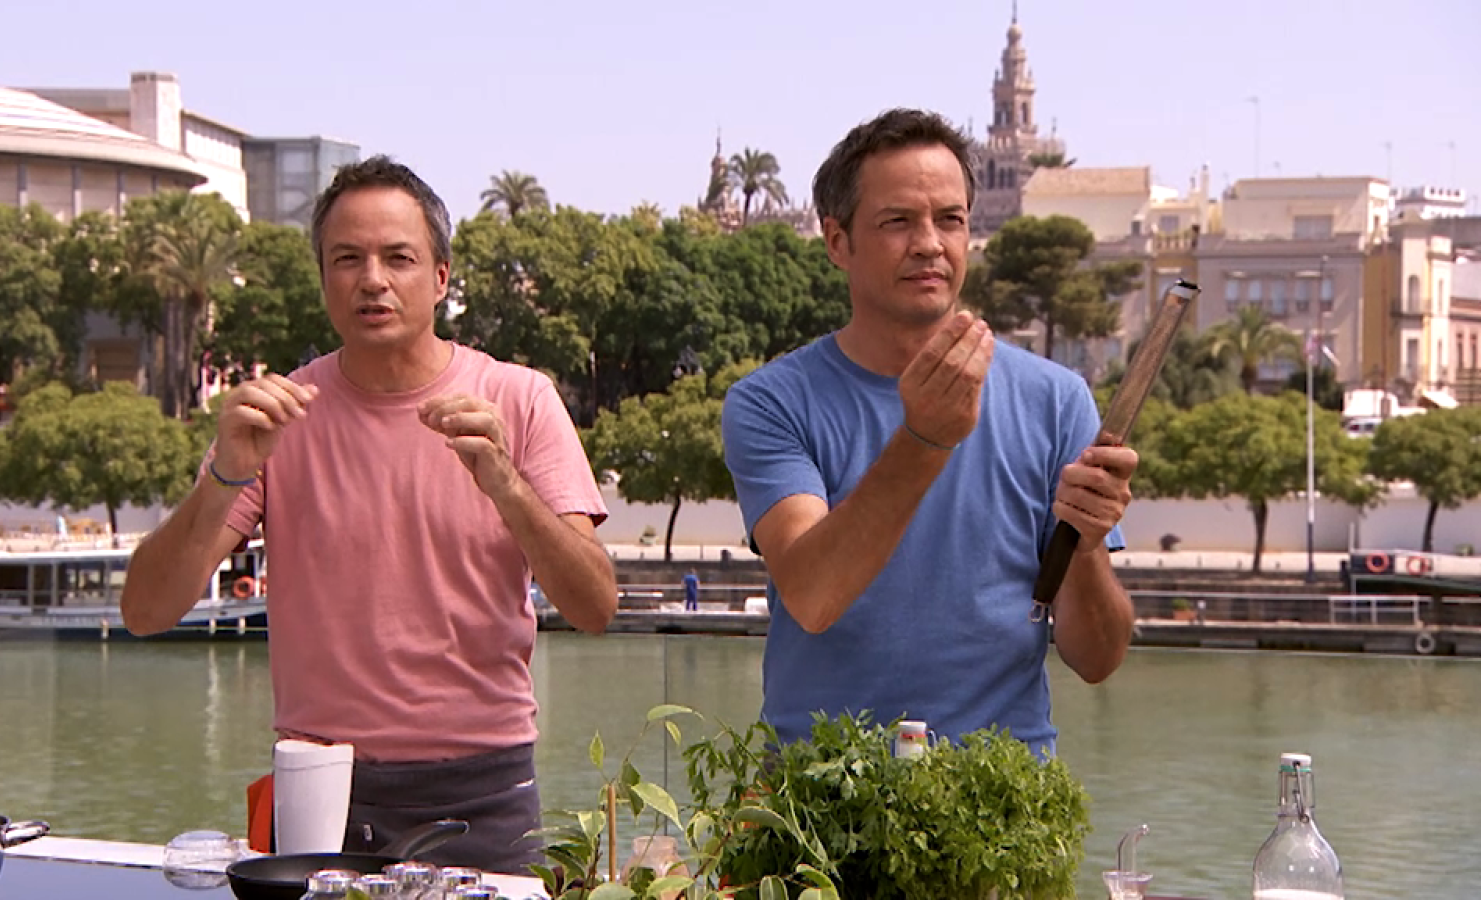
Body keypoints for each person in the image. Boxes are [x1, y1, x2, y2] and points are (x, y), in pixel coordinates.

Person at [120, 155, 618, 874]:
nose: (373, 279)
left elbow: (596, 606)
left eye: (399, 258)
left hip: (485, 789)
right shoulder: (279, 415)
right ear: (323, 278)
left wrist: (505, 485)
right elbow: (144, 611)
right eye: (347, 259)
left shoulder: (519, 400)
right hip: (319, 789)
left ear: (441, 278)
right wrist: (227, 472)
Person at [720, 109, 1137, 759]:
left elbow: (1097, 659)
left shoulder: (1057, 401)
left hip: (1002, 811)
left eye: (951, 219)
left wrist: (1083, 549)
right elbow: (812, 595)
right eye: (897, 222)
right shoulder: (770, 403)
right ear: (837, 242)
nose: (929, 243)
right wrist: (924, 439)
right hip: (817, 810)